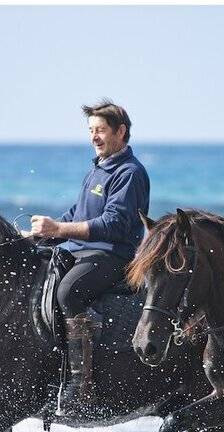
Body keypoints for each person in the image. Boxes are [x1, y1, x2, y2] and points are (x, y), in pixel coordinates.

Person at [27, 99, 150, 412]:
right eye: (91, 131)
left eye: (101, 130)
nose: (95, 137)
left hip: (113, 254)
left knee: (69, 292)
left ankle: (82, 386)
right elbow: (78, 212)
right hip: (82, 250)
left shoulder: (130, 172)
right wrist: (45, 232)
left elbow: (114, 223)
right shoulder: (97, 169)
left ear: (121, 132)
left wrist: (60, 229)